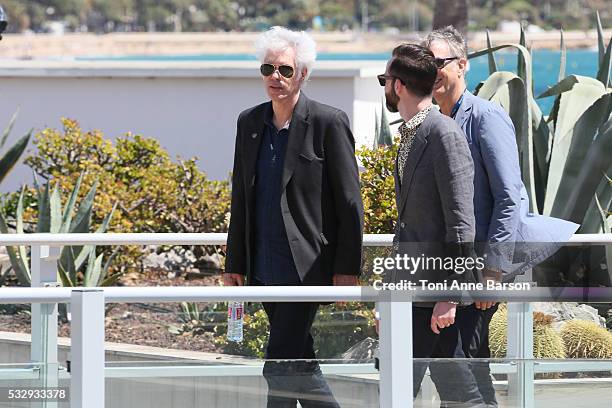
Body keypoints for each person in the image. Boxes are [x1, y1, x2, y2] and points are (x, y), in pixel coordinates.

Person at [423, 26, 579, 407]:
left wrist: (492, 272)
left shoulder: (485, 117)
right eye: (425, 64)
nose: (431, 71)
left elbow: (509, 197)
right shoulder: (434, 120)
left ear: (462, 65)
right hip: (448, 265)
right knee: (465, 366)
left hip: (481, 268)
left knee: (457, 363)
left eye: (439, 63)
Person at [224, 26, 364, 408]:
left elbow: (350, 201)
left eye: (285, 70)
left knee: (279, 364)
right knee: (298, 360)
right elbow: (241, 198)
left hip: (307, 266)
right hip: (262, 266)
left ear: (303, 74)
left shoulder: (327, 122)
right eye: (268, 69)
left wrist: (347, 268)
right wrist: (235, 263)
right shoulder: (249, 123)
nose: (275, 78)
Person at [381, 43, 485, 406]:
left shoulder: (443, 133)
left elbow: (461, 222)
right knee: (456, 390)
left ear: (398, 86)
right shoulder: (410, 133)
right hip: (413, 291)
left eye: (385, 80)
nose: (385, 88)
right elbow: (409, 224)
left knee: (403, 388)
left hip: (435, 294)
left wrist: (449, 295)